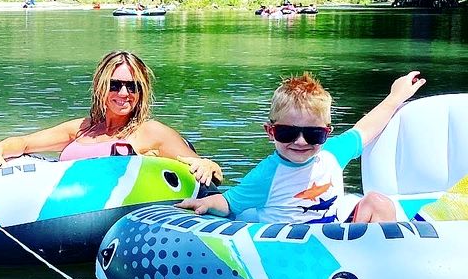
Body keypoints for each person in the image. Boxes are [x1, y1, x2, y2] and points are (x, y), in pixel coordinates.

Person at [0, 50, 223, 210]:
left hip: (83, 206)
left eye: (132, 86)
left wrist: (205, 164)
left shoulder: (151, 132)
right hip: (42, 194)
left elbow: (199, 166)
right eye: (115, 84)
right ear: (101, 87)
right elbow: (25, 141)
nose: (123, 93)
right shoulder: (83, 128)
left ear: (141, 91)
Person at [177, 70, 426, 224]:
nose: (300, 142)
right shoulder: (267, 174)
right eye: (287, 132)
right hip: (292, 248)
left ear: (326, 133)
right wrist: (205, 204)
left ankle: (384, 270)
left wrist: (396, 97)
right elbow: (230, 203)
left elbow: (364, 129)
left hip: (338, 238)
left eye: (313, 134)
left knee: (379, 203)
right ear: (270, 132)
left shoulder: (331, 155)